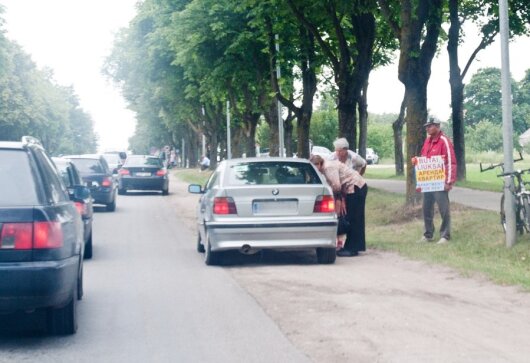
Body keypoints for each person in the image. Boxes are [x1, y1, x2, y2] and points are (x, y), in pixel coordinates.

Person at [310, 155, 367, 257]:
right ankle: (354, 246)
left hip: (355, 187)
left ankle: (352, 249)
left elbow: (336, 186)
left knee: (354, 218)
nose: (315, 170)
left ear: (319, 164)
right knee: (354, 217)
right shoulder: (326, 166)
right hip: (354, 188)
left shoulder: (328, 168)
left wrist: (331, 195)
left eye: (315, 167)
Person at [418, 117, 457, 244]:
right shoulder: (427, 141)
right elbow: (424, 160)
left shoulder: (444, 141)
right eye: (426, 126)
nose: (427, 128)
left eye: (430, 126)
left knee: (443, 209)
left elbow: (451, 162)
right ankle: (428, 234)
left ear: (437, 126)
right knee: (426, 208)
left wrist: (449, 181)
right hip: (428, 182)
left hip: (440, 182)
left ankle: (445, 235)